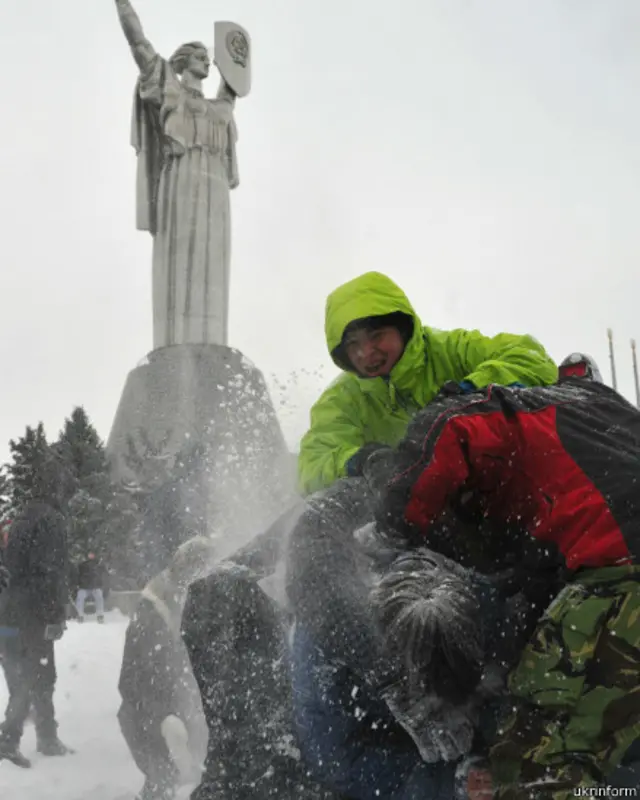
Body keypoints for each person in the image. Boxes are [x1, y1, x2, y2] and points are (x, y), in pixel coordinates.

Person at [366, 374, 640, 798]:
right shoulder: (594, 426)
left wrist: (393, 523)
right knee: (594, 754)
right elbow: (539, 583)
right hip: (612, 572)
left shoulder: (502, 413)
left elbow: (448, 429)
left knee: (533, 762)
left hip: (623, 573)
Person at [297, 271, 557, 495]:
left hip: (497, 487)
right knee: (322, 510)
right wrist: (362, 461)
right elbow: (312, 465)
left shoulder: (451, 350)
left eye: (376, 336)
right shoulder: (343, 399)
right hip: (406, 513)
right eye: (353, 345)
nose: (366, 353)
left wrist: (468, 393)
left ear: (403, 329)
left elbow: (531, 358)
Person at [118, 536, 215, 800]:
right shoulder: (155, 612)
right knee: (164, 773)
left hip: (161, 702)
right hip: (152, 707)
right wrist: (168, 718)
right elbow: (139, 681)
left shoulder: (173, 595)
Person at [0, 502, 72, 767]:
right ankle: (8, 741)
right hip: (30, 618)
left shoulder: (19, 528)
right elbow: (50, 576)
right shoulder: (48, 524)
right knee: (31, 680)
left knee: (34, 678)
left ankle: (47, 736)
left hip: (9, 616)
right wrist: (55, 616)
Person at [75, 552, 108, 623]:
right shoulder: (81, 565)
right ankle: (80, 615)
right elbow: (77, 575)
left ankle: (100, 615)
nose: (91, 556)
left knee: (99, 597)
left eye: (92, 554)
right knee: (80, 597)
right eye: (90, 554)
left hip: (95, 587)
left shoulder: (99, 564)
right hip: (84, 587)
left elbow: (105, 573)